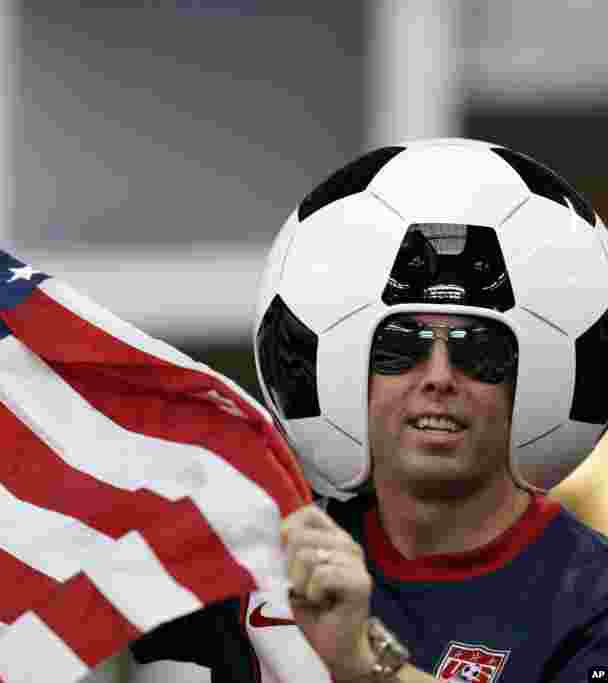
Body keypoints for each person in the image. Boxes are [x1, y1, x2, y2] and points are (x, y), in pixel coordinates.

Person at [131, 138, 608, 682]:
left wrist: (362, 662)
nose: (438, 377)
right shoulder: (265, 558)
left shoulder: (592, 597)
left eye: (480, 352)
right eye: (398, 348)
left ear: (536, 380)